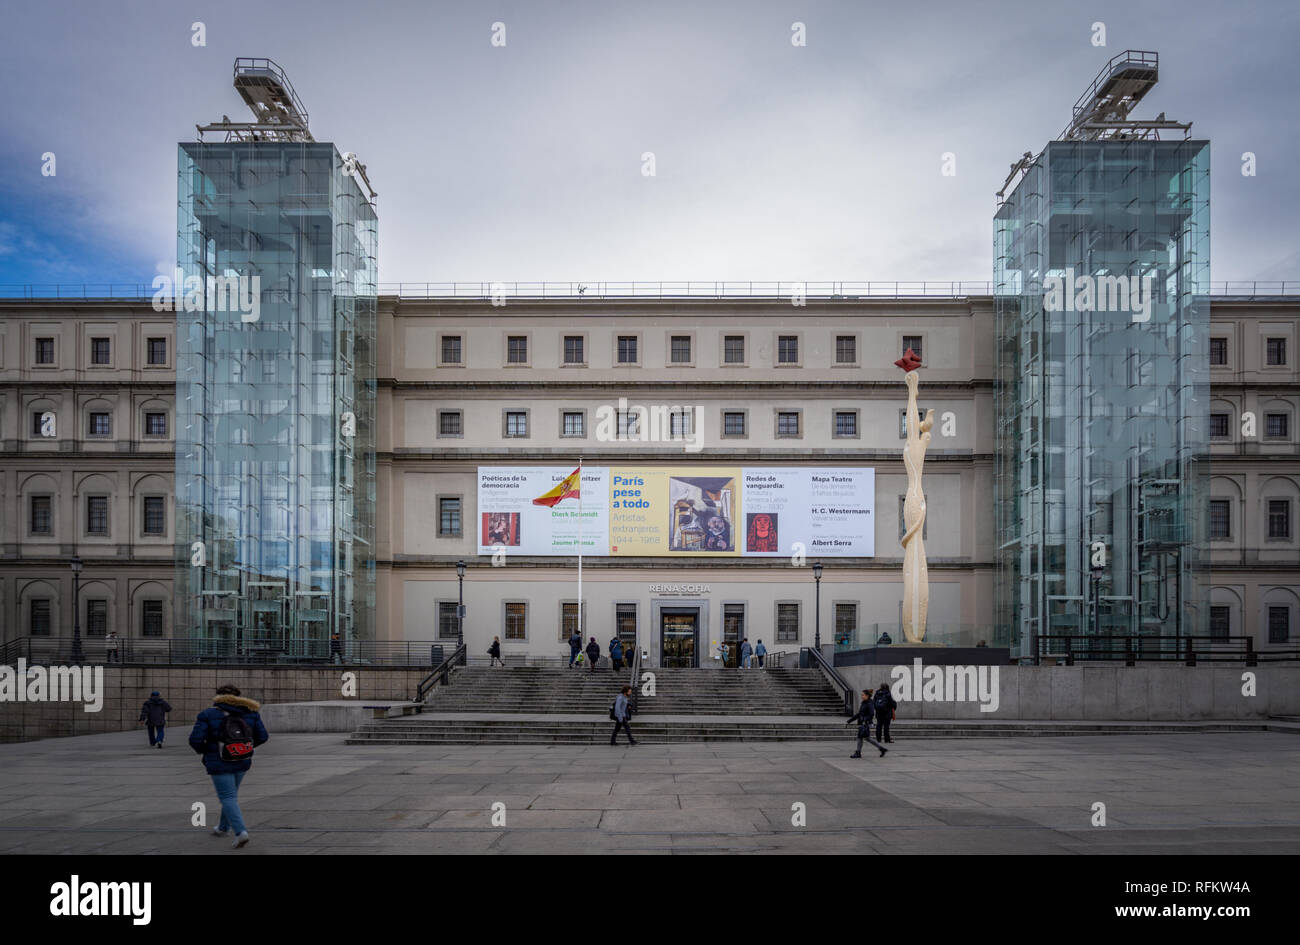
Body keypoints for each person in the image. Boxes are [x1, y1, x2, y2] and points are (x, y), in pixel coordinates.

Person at [189, 684, 269, 849]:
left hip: (219, 762)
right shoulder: (251, 713)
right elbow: (263, 736)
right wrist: (246, 748)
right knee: (231, 796)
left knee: (228, 797)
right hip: (242, 760)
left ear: (218, 697)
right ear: (238, 697)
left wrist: (207, 751)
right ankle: (223, 827)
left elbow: (195, 740)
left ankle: (240, 832)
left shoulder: (208, 714)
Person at [846, 689, 887, 759]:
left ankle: (858, 752)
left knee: (860, 737)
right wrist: (850, 720)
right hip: (863, 723)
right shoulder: (864, 703)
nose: (861, 696)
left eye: (863, 695)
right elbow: (859, 714)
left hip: (866, 724)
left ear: (867, 696)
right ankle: (881, 749)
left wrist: (865, 720)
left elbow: (871, 714)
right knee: (867, 738)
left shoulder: (870, 703)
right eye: (861, 695)